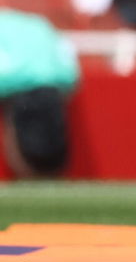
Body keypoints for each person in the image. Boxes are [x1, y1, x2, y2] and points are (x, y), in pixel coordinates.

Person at [0, 9, 81, 178]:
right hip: (52, 90)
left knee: (27, 145)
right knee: (50, 145)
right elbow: (68, 66)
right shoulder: (40, 24)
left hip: (19, 93)